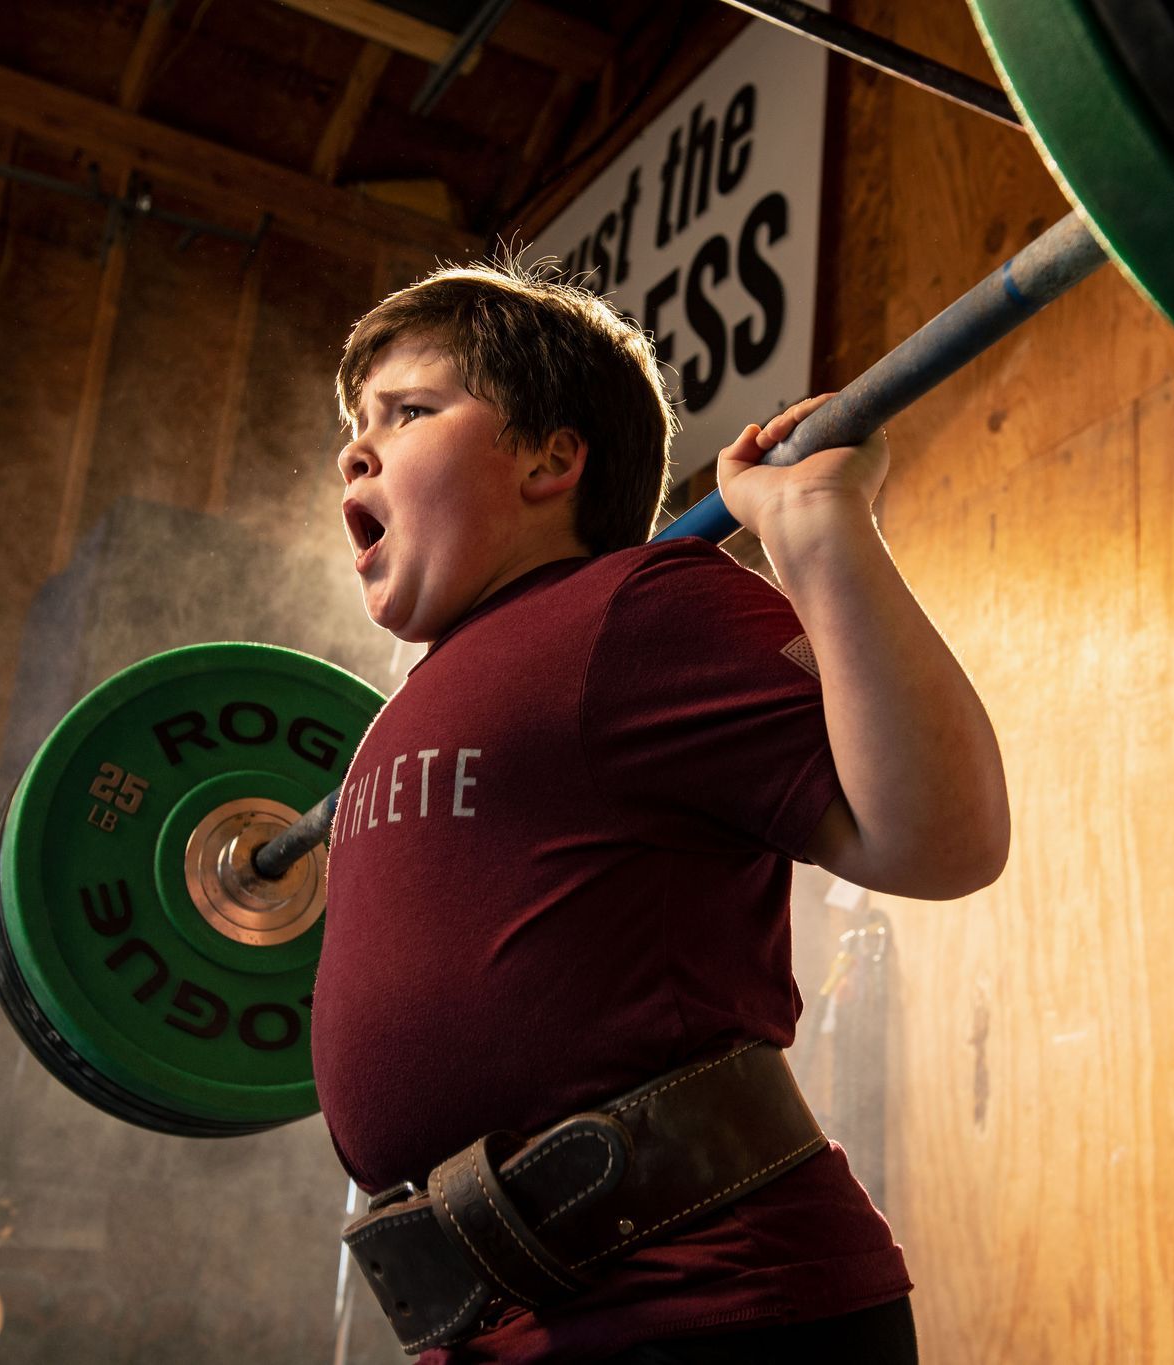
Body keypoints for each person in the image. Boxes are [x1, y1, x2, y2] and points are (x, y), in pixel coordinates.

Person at [309, 259, 1010, 1364]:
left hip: (699, 1298)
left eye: (408, 411)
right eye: (356, 423)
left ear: (552, 457)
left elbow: (940, 836)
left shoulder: (635, 609)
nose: (355, 447)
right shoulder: (407, 705)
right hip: (485, 1323)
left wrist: (817, 522)